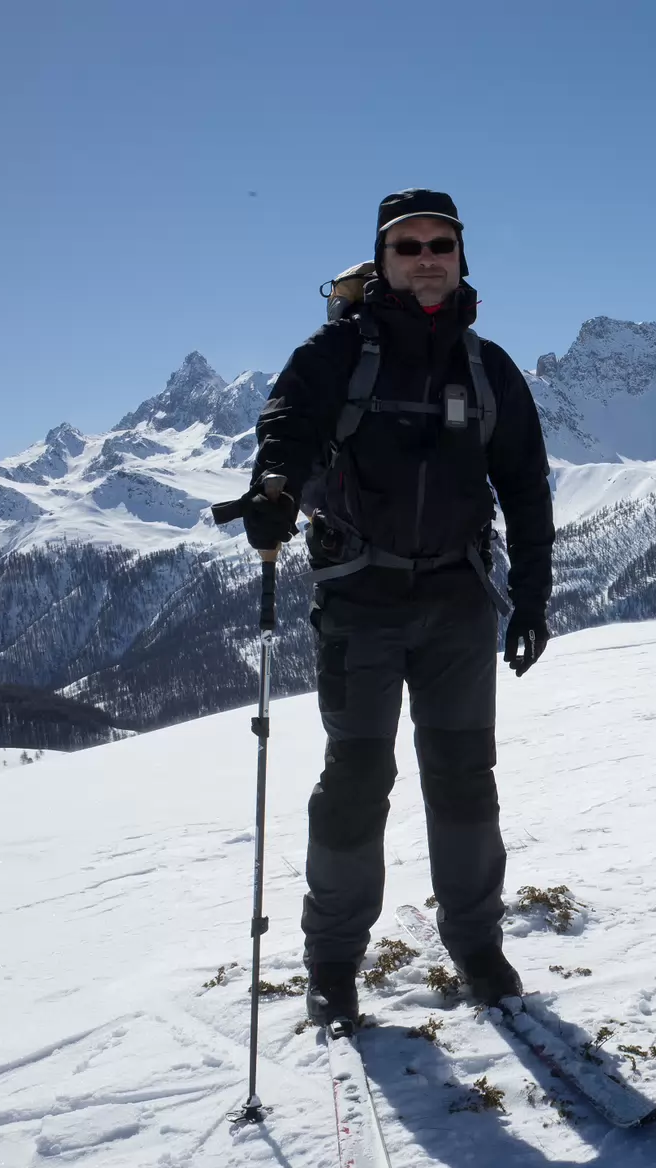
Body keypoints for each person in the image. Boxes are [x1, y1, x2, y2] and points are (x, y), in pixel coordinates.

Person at [235, 188, 555, 1026]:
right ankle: (333, 961)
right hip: (360, 600)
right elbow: (287, 424)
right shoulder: (337, 355)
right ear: (382, 261)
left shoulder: (487, 369)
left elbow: (526, 487)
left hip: (458, 603)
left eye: (439, 244)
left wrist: (532, 596)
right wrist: (274, 485)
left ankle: (477, 944)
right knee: (356, 779)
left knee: (463, 776)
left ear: (461, 255)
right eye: (407, 246)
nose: (425, 259)